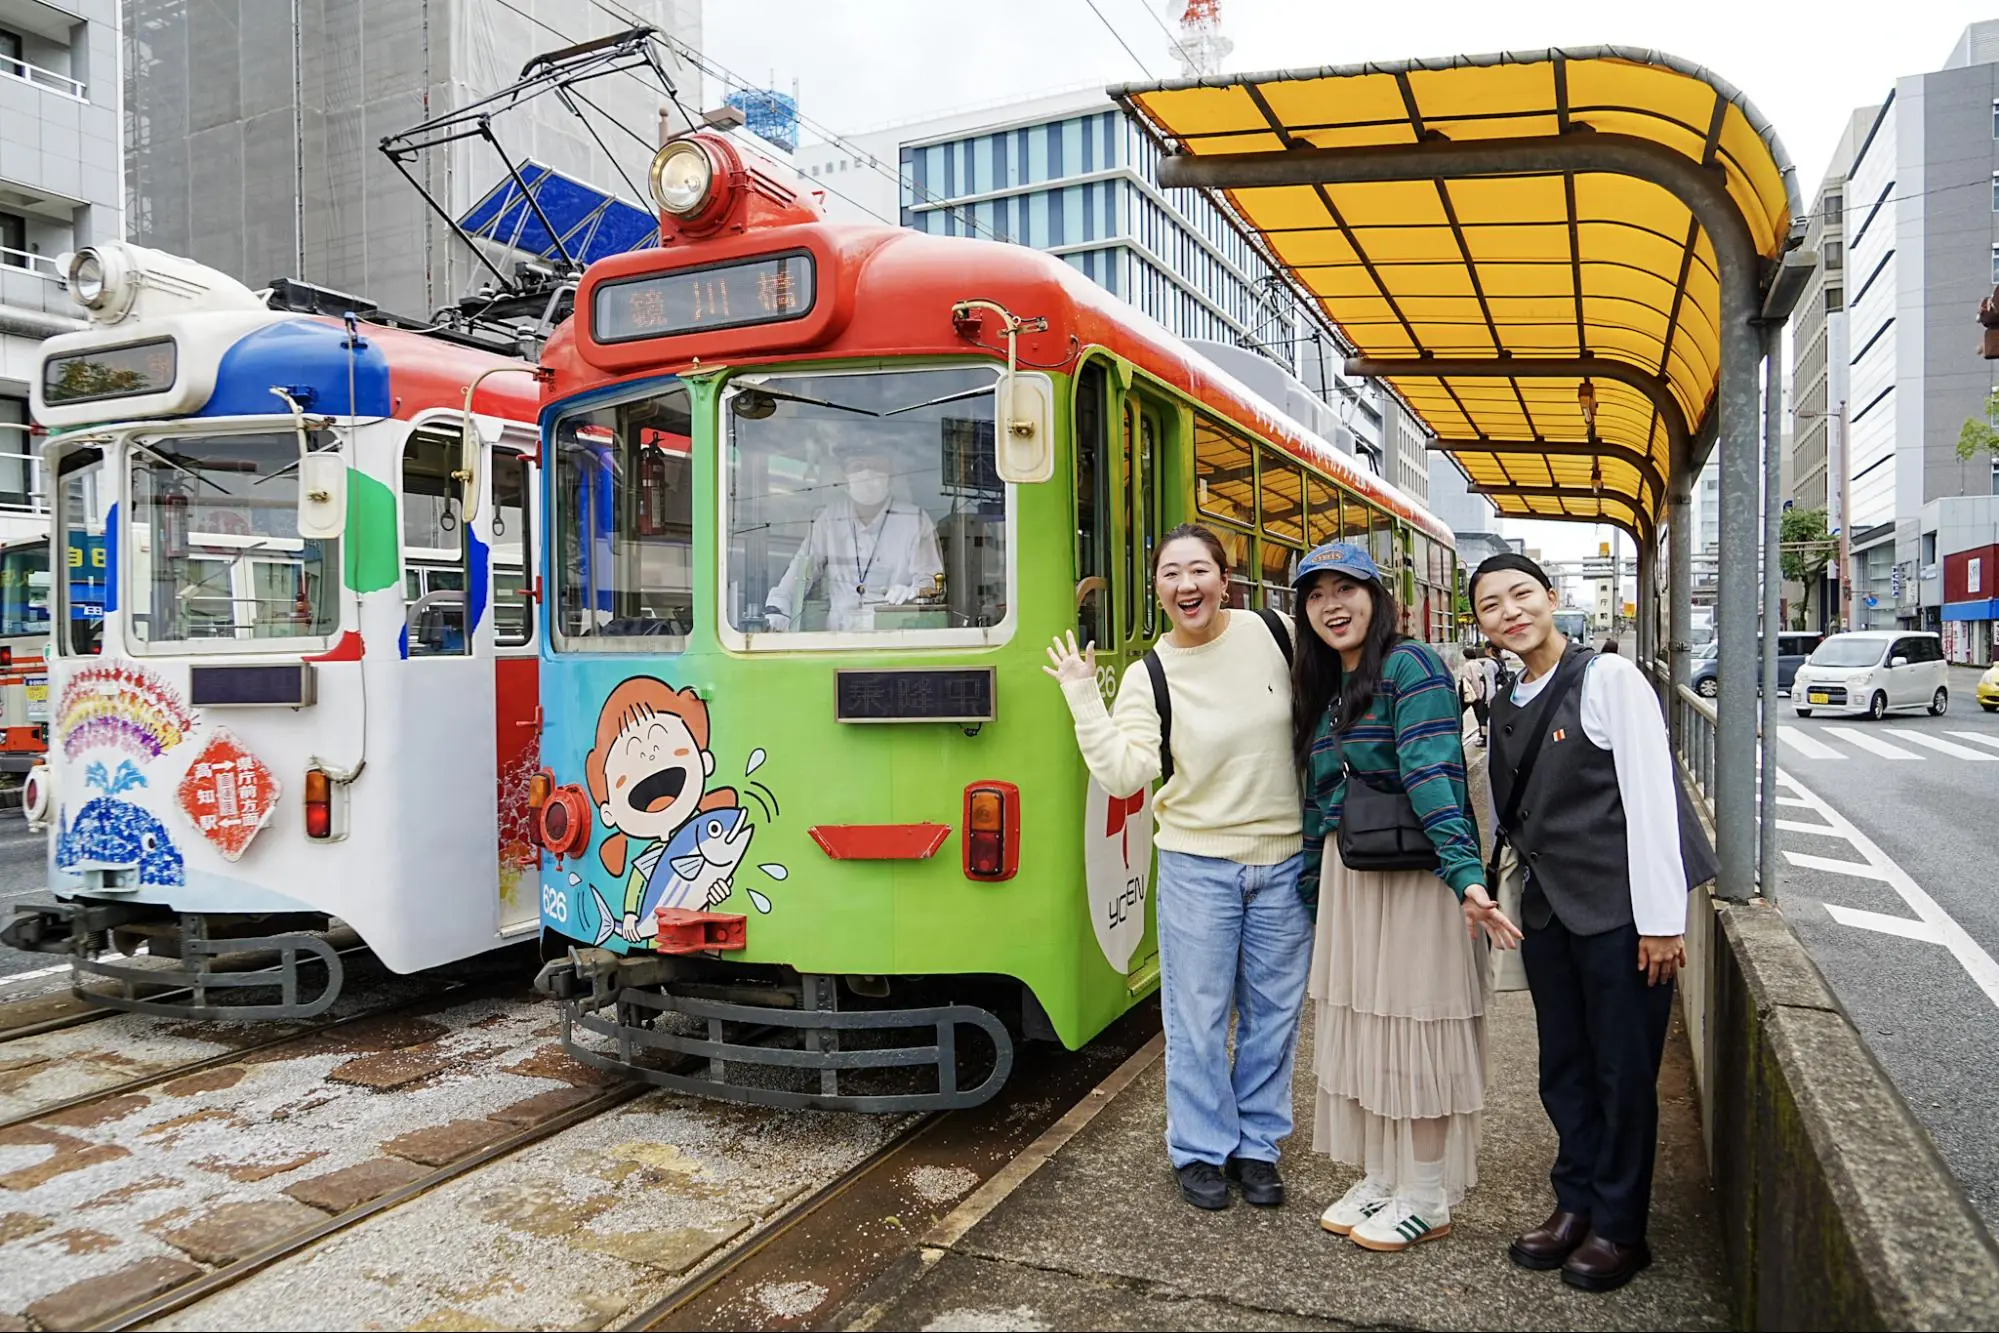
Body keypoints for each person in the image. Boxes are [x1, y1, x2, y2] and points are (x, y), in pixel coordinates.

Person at [1044, 523, 1309, 1213]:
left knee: (1272, 1018)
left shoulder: (1273, 633)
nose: (1186, 584)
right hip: (1197, 865)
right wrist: (1080, 694)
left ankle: (1257, 1145)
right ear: (1157, 588)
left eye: (1199, 570)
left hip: (1283, 861)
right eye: (1170, 573)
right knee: (1194, 1019)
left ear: (1225, 579)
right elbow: (1125, 772)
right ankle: (1198, 1147)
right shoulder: (1148, 674)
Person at [1293, 541, 1521, 1253]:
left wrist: (1465, 875)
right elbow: (1317, 798)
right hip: (1353, 878)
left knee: (1415, 1029)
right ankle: (1385, 1174)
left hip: (1415, 879)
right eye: (1315, 593)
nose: (1331, 604)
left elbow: (1432, 770)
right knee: (1369, 1031)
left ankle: (1424, 1191)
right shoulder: (1329, 681)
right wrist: (1309, 883)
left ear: (1376, 594)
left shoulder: (1409, 663)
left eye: (1345, 587)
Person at [1472, 552, 1690, 1293]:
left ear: (1551, 597)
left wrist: (1662, 921)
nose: (1509, 612)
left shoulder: (1607, 678)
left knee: (1620, 1071)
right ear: (1481, 626)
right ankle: (1575, 1203)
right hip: (1548, 912)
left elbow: (1651, 800)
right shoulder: (1507, 696)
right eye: (1490, 605)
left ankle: (1620, 1227)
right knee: (1561, 1066)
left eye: (1520, 594)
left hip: (1621, 914)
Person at [763, 441, 944, 632]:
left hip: (895, 635)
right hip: (839, 638)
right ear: (845, 475)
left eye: (876, 467)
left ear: (890, 475)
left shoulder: (914, 520)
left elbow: (932, 584)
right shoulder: (831, 518)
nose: (867, 474)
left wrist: (912, 593)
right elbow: (801, 572)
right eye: (858, 467)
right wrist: (778, 607)